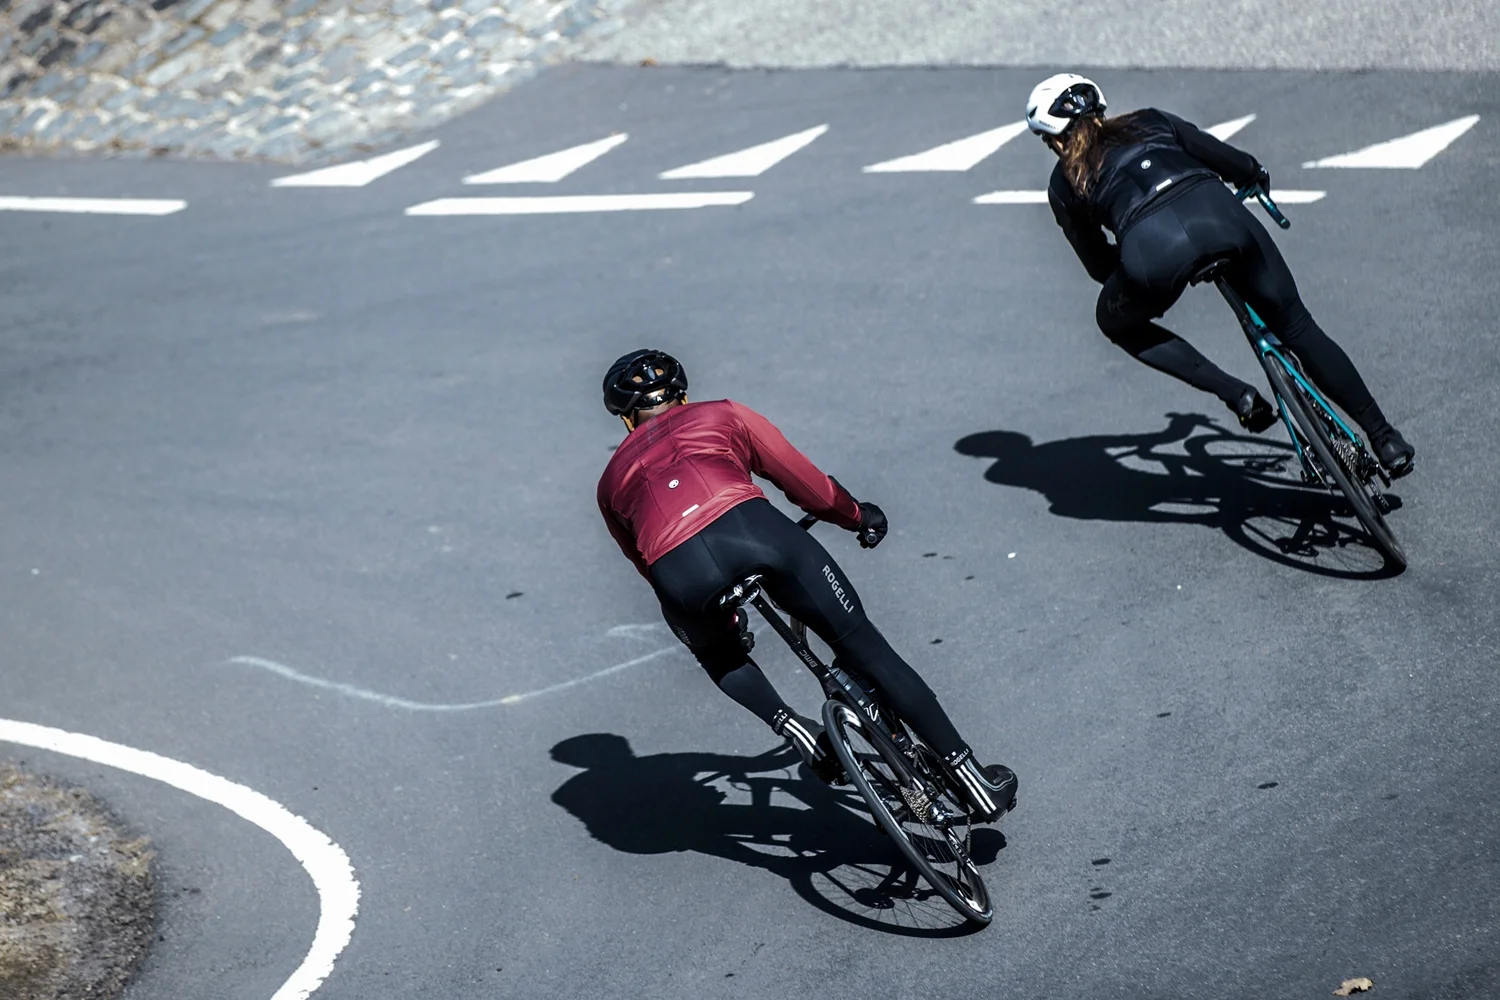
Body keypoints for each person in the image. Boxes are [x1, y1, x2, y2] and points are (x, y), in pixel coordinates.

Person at [596, 349, 1017, 822]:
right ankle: (976, 783)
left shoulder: (609, 484)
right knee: (866, 649)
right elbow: (803, 482)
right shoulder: (721, 414)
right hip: (751, 531)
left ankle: (795, 728)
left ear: (627, 421)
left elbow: (645, 565)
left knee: (718, 654)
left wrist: (724, 621)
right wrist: (856, 516)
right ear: (683, 396)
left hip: (680, 572)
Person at [1026, 73, 1415, 477]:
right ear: (1100, 109)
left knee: (1112, 320)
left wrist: (1138, 279)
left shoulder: (1063, 184)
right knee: (1297, 326)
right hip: (1219, 216)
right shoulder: (1150, 119)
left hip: (1152, 253)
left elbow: (1097, 265)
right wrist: (1252, 173)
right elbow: (1227, 159)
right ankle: (1385, 438)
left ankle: (1236, 394)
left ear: (1053, 140)